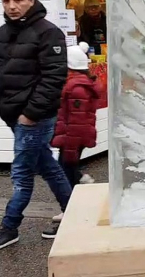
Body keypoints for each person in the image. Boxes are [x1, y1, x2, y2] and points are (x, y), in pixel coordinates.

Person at [0, 0, 72, 251]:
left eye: (18, 0)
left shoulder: (49, 33)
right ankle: (72, 212)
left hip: (34, 119)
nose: (12, 6)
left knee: (22, 173)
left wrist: (31, 114)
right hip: (13, 116)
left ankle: (9, 226)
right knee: (48, 166)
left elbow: (54, 77)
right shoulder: (1, 33)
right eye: (6, 1)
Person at [43, 42, 100, 238]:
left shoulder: (76, 87)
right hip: (73, 137)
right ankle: (81, 186)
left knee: (64, 173)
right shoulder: (79, 83)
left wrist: (69, 146)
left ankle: (71, 213)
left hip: (72, 138)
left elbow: (76, 121)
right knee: (67, 170)